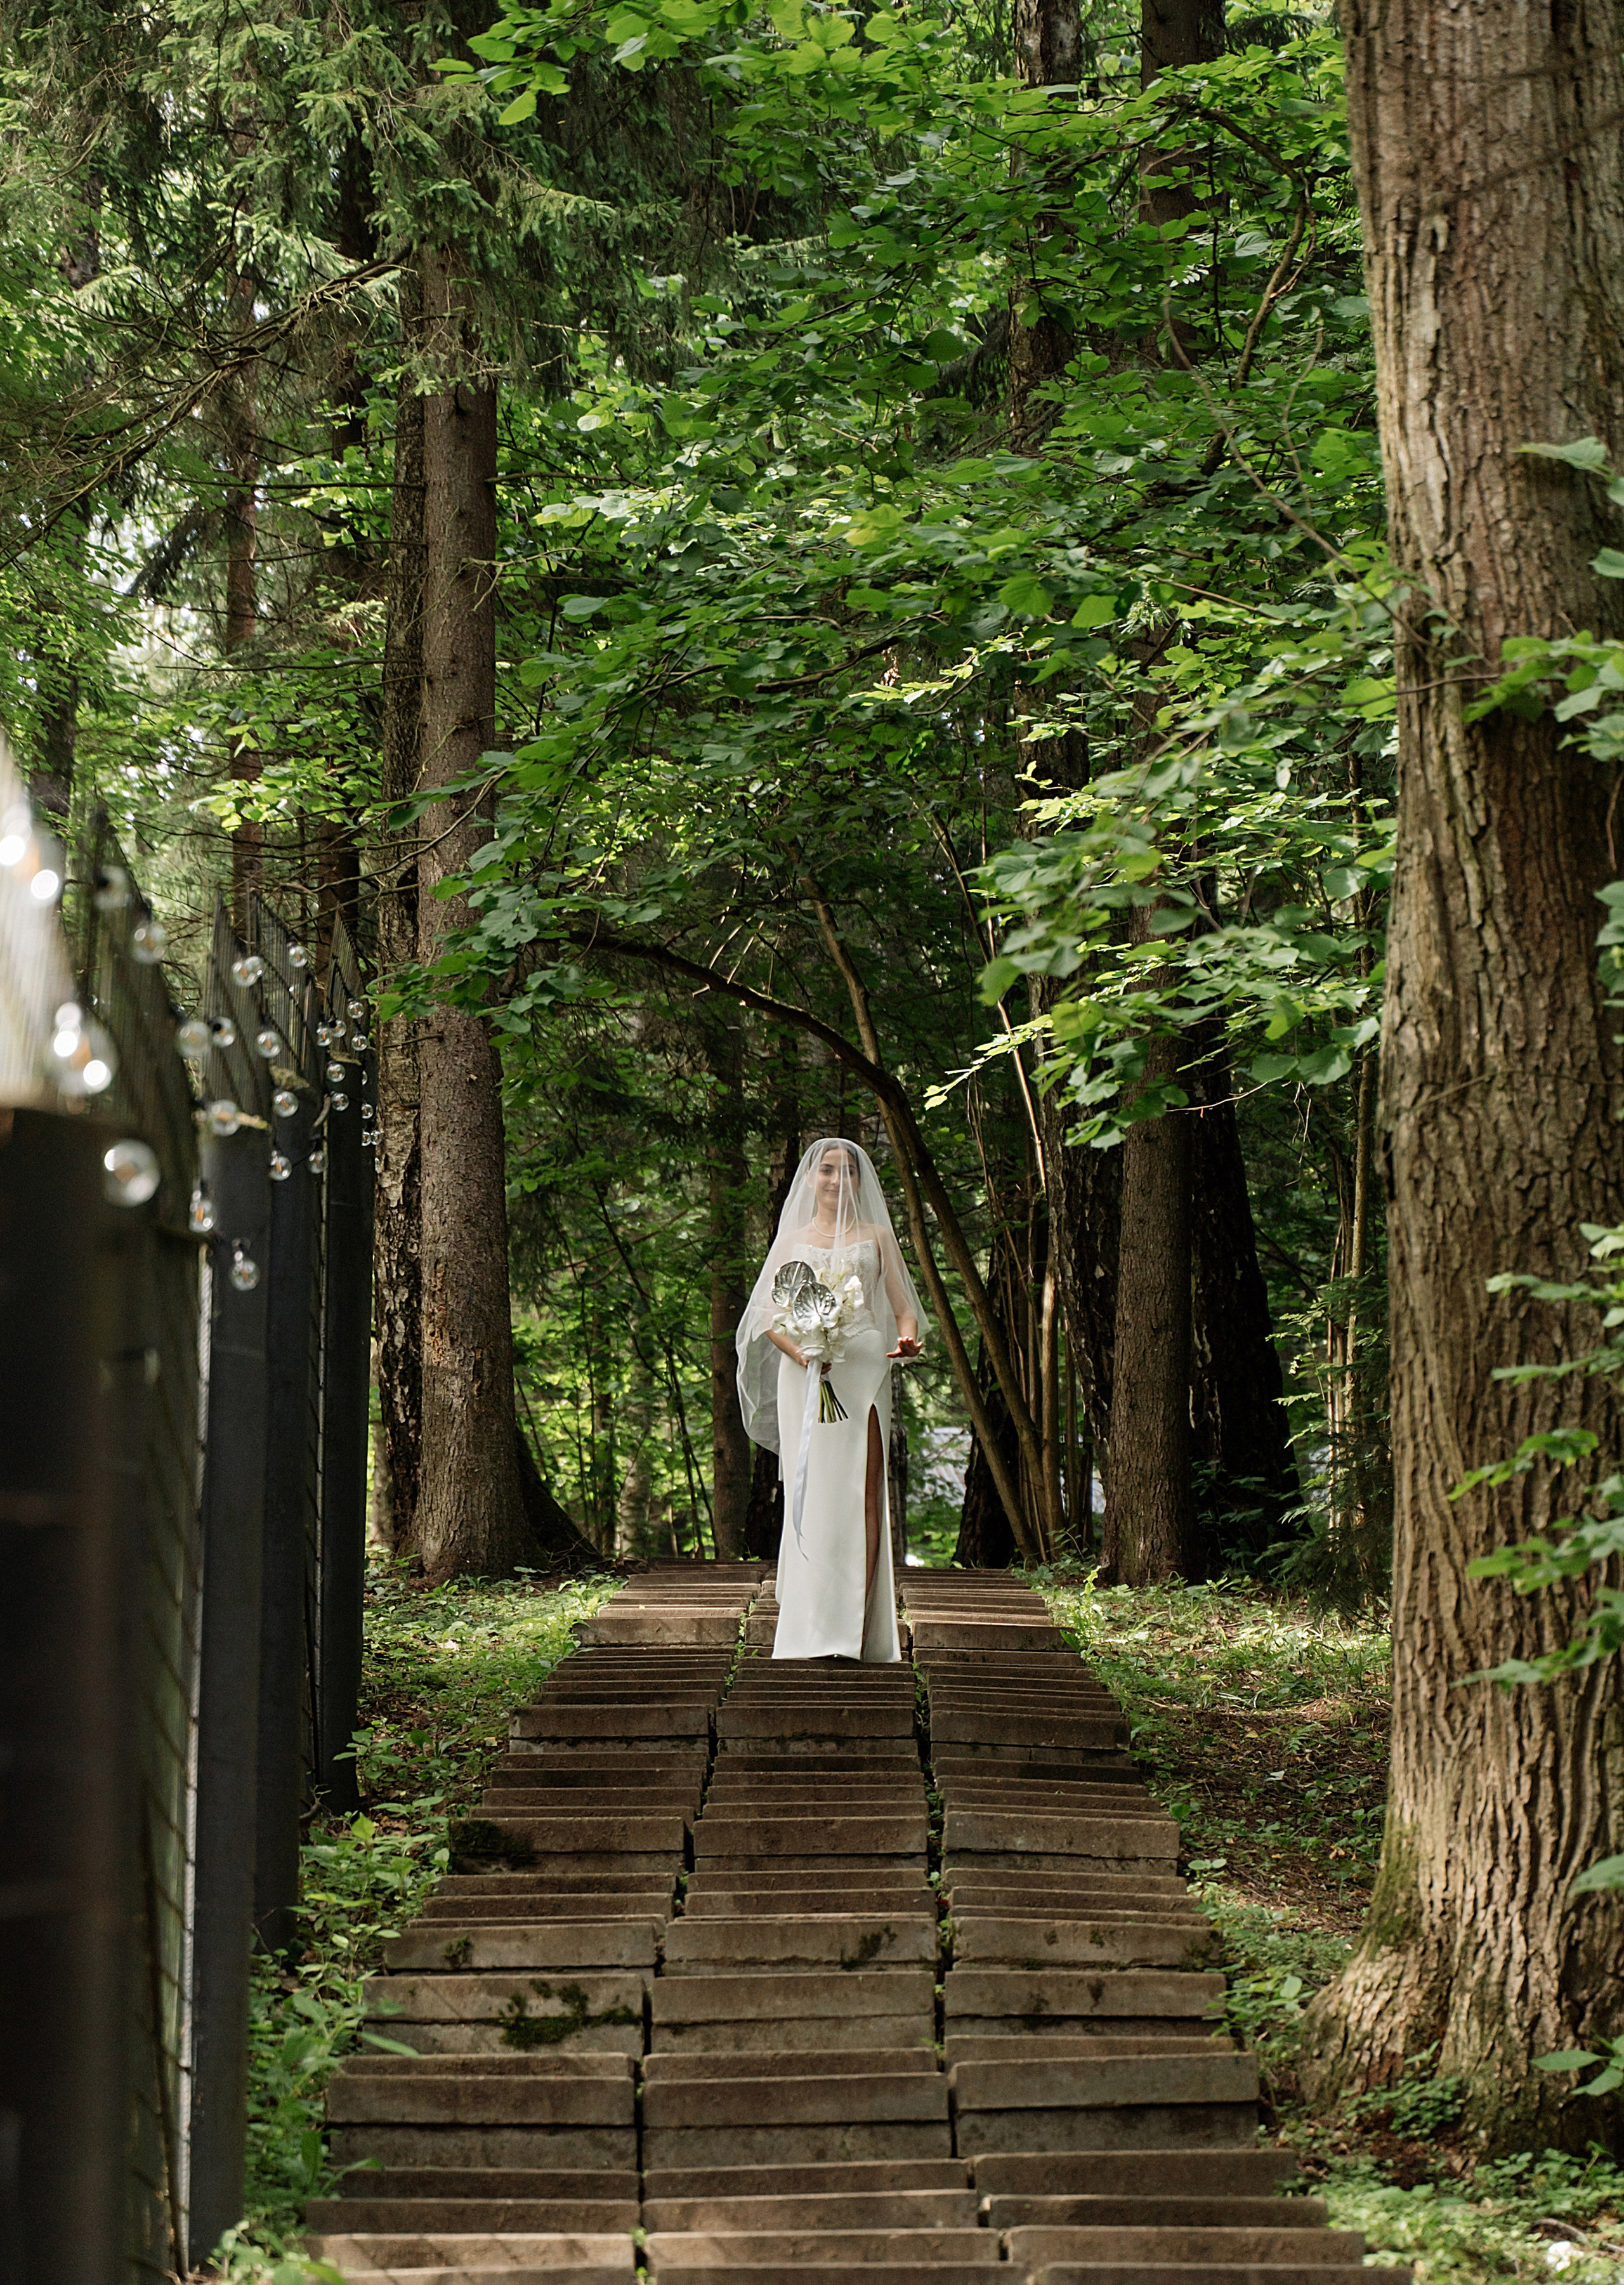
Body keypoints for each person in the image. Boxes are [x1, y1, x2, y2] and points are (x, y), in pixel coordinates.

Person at [736, 1138, 924, 1661]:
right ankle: (811, 1627)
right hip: (807, 1372)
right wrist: (801, 1352)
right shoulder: (792, 1240)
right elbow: (766, 1317)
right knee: (814, 1494)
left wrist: (906, 1339)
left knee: (863, 1492)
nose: (837, 1181)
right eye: (827, 1171)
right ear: (812, 1179)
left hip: (863, 1369)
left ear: (860, 1182)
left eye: (848, 1172)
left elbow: (903, 1309)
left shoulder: (877, 1235)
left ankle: (859, 1630)